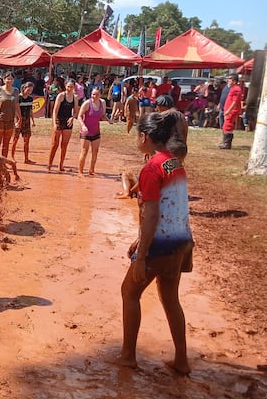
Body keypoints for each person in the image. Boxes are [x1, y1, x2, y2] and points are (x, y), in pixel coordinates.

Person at [117, 111, 194, 376]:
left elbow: (152, 213)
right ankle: (181, 360)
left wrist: (142, 254)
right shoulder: (174, 162)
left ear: (145, 137)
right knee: (171, 299)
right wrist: (140, 238)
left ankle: (128, 356)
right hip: (180, 242)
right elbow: (170, 206)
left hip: (159, 246)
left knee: (129, 292)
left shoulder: (151, 168)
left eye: (137, 134)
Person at [77, 87, 111, 176]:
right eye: (93, 94)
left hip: (96, 130)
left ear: (100, 95)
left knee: (95, 151)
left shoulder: (102, 103)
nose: (94, 96)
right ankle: (80, 171)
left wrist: (108, 120)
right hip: (86, 131)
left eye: (96, 94)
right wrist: (83, 126)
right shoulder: (87, 103)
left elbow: (103, 115)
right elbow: (79, 116)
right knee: (84, 151)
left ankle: (91, 170)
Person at [47, 79, 78, 172]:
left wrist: (73, 117)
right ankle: (49, 164)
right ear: (65, 86)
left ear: (74, 87)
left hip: (68, 122)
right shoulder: (61, 96)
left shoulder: (75, 97)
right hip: (59, 120)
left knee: (64, 145)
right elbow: (55, 111)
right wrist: (54, 123)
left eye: (71, 87)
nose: (69, 88)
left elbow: (76, 111)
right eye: (68, 86)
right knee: (54, 144)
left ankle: (61, 165)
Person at [11, 81, 36, 164]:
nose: (29, 92)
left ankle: (26, 158)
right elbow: (14, 110)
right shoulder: (18, 98)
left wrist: (33, 121)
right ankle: (12, 157)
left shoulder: (30, 99)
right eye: (28, 90)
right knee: (15, 139)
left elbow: (30, 110)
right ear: (24, 88)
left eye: (31, 90)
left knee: (27, 140)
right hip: (18, 121)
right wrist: (16, 120)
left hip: (27, 122)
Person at [218, 74, 242, 150]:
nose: (228, 80)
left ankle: (227, 144)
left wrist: (228, 111)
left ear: (234, 81)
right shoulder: (232, 88)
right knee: (226, 126)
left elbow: (234, 102)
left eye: (230, 79)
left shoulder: (236, 89)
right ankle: (225, 142)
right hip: (228, 110)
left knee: (228, 126)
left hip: (231, 111)